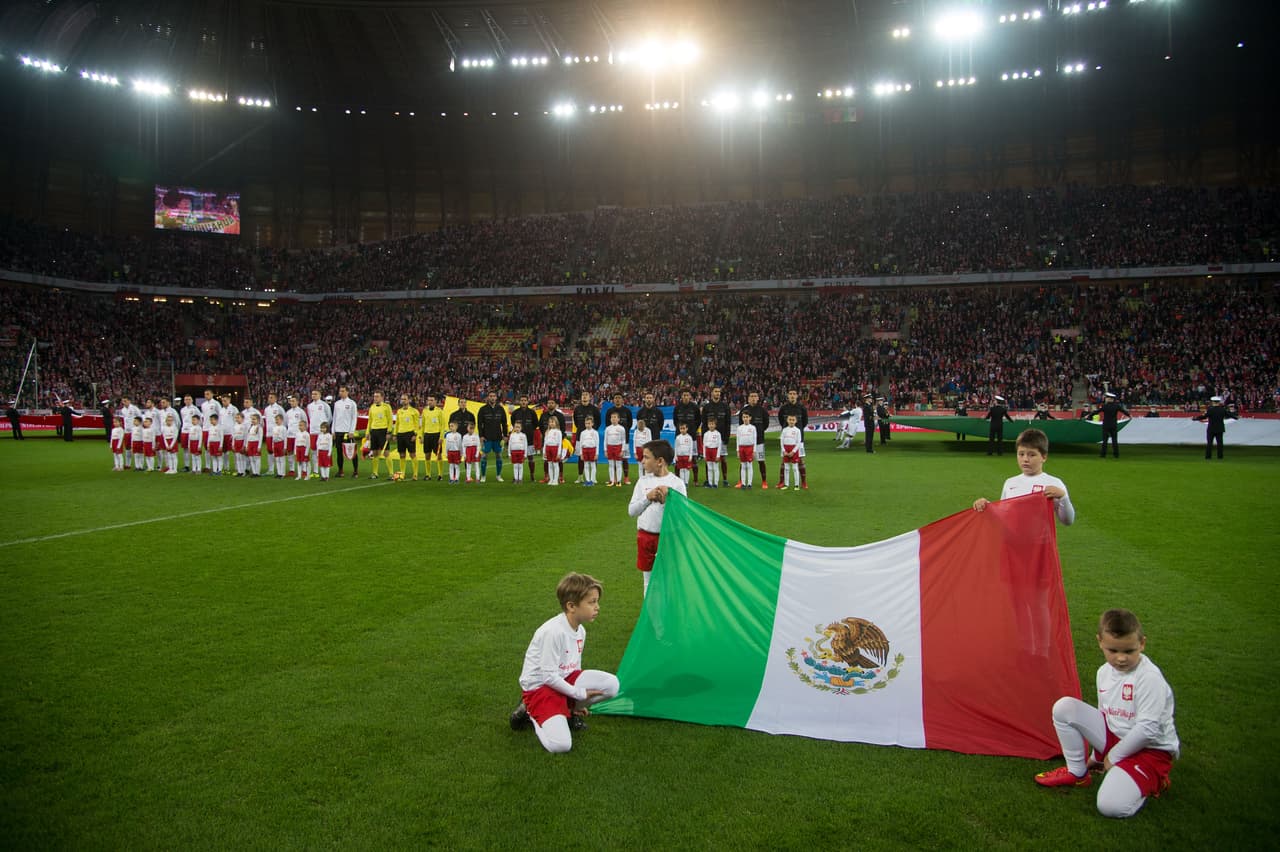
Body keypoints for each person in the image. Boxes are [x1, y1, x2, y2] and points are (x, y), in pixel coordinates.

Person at [1034, 609, 1179, 819]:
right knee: (1064, 707)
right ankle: (1077, 773)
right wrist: (1097, 757)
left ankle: (1155, 780)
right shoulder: (1103, 672)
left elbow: (1148, 729)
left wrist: (1114, 757)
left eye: (1129, 651)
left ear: (1142, 643)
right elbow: (1106, 717)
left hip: (1150, 751)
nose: (1121, 658)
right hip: (1117, 740)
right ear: (1100, 642)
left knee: (1109, 806)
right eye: (1113, 650)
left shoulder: (1149, 678)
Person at [509, 572, 620, 754]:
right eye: (591, 602)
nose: (597, 607)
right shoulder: (553, 632)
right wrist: (579, 693)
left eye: (597, 601)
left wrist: (576, 701)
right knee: (561, 745)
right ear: (571, 606)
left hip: (563, 679)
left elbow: (574, 667)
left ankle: (569, 712)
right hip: (540, 688)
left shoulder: (580, 630)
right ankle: (530, 712)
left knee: (612, 685)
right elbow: (548, 677)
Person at [972, 428, 1076, 527]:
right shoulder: (1010, 482)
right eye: (1021, 454)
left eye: (1032, 455)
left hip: (1040, 544)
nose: (1025, 459)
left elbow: (1068, 521)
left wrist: (1063, 497)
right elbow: (1003, 515)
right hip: (1012, 543)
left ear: (1044, 457)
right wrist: (987, 506)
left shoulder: (1053, 483)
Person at [627, 439, 687, 596]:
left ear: (660, 461)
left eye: (646, 457)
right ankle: (652, 619)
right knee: (648, 580)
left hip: (668, 538)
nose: (642, 461)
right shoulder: (642, 481)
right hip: (645, 537)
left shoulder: (677, 484)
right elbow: (632, 511)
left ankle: (667, 615)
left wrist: (668, 501)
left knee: (668, 579)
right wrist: (648, 498)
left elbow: (683, 517)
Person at [775, 389, 809, 489]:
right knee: (784, 460)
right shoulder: (784, 408)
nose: (792, 396)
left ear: (797, 395)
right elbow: (781, 420)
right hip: (786, 440)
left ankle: (803, 482)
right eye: (790, 394)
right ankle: (782, 482)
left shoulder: (802, 408)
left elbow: (805, 422)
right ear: (788, 396)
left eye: (794, 394)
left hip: (798, 439)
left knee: (801, 460)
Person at [740, 391, 771, 490]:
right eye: (751, 396)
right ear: (748, 398)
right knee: (743, 462)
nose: (753, 398)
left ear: (758, 398)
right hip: (746, 443)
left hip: (759, 441)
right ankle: (741, 481)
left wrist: (760, 431)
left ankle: (764, 481)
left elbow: (766, 424)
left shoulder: (762, 410)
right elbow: (741, 424)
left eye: (755, 396)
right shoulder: (744, 410)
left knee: (761, 461)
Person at [477, 391, 508, 482]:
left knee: (498, 455)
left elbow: (504, 423)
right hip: (487, 437)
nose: (492, 398)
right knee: (484, 456)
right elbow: (479, 424)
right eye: (490, 396)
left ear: (496, 398)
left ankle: (498, 475)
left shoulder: (500, 409)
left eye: (494, 396)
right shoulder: (483, 409)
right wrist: (481, 436)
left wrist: (505, 435)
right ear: (488, 397)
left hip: (498, 437)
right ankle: (483, 476)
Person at [702, 387, 731, 485]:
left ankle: (725, 479)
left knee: (722, 458)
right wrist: (704, 437)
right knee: (709, 460)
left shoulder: (725, 407)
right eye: (715, 391)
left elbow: (728, 423)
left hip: (722, 437)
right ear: (712, 393)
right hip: (709, 438)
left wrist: (726, 437)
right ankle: (708, 480)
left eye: (719, 392)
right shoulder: (707, 407)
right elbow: (704, 423)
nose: (717, 393)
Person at [1193, 395, 1238, 460]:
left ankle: (1208, 457)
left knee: (1209, 443)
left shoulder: (1210, 410)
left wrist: (1196, 418)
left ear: (1213, 402)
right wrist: (1236, 417)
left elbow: (1204, 417)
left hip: (1211, 428)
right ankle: (1220, 456)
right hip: (1220, 428)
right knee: (1220, 444)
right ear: (1219, 402)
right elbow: (1229, 415)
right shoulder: (1222, 410)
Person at [572, 391, 601, 484]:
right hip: (580, 436)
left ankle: (593, 478)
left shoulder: (594, 409)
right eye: (583, 395)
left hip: (591, 437)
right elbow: (576, 422)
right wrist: (582, 430)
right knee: (580, 457)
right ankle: (580, 476)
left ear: (590, 397)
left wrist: (591, 431)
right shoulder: (577, 409)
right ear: (581, 397)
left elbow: (598, 421)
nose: (584, 397)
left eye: (586, 395)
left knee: (593, 459)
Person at [673, 390, 702, 485]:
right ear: (681, 396)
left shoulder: (694, 407)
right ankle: (677, 480)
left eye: (687, 395)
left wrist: (692, 429)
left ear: (690, 396)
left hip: (692, 436)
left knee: (693, 458)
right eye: (684, 395)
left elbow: (698, 420)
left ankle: (696, 480)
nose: (685, 397)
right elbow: (675, 421)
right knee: (678, 459)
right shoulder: (678, 407)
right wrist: (680, 430)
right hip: (679, 436)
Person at [509, 394, 540, 483]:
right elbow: (513, 423)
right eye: (522, 400)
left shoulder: (532, 412)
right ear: (519, 401)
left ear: (527, 401)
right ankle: (516, 477)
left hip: (529, 439)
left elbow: (535, 424)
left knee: (531, 458)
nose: (523, 402)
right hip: (517, 441)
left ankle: (532, 475)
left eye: (525, 400)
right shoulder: (515, 413)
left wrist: (529, 430)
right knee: (516, 461)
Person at [331, 387, 359, 479]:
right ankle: (340, 471)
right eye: (340, 391)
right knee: (339, 452)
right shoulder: (337, 404)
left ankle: (355, 471)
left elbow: (354, 418)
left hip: (347, 431)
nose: (341, 393)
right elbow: (334, 417)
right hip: (338, 431)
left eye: (343, 391)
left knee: (352, 451)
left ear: (347, 392)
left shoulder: (351, 403)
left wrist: (352, 431)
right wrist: (333, 431)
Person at [365, 390, 393, 479]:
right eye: (374, 396)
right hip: (374, 431)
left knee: (386, 452)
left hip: (383, 431)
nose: (375, 398)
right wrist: (367, 432)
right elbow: (370, 421)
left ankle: (391, 474)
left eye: (377, 396)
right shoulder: (372, 407)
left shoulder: (386, 407)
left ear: (382, 397)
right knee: (375, 452)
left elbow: (390, 420)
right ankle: (375, 473)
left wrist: (389, 432)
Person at [610, 392, 637, 484]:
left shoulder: (627, 411)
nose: (617, 399)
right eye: (616, 397)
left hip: (624, 439)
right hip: (612, 441)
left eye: (619, 397)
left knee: (625, 458)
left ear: (622, 400)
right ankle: (614, 478)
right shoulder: (610, 411)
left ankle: (626, 477)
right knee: (613, 459)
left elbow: (629, 424)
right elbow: (607, 425)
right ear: (613, 400)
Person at [538, 398, 567, 484]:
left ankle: (559, 477)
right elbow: (540, 427)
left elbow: (563, 428)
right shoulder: (543, 415)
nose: (550, 404)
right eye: (549, 403)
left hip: (557, 443)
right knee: (547, 461)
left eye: (552, 403)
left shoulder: (560, 416)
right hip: (547, 442)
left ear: (555, 404)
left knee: (558, 461)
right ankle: (548, 477)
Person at [393, 394, 420, 480]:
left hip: (410, 434)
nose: (403, 400)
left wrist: (415, 434)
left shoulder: (414, 411)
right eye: (402, 399)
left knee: (412, 454)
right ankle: (402, 474)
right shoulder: (399, 411)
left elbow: (417, 424)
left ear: (409, 400)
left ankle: (415, 474)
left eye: (405, 399)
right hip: (400, 434)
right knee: (402, 455)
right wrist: (395, 434)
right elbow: (397, 423)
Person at [419, 394, 445, 481]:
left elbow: (442, 425)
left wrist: (441, 437)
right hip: (427, 435)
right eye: (428, 400)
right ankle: (428, 474)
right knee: (427, 455)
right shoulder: (425, 411)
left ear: (436, 401)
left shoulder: (439, 411)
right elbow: (422, 425)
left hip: (436, 435)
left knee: (438, 455)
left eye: (432, 400)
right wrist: (421, 436)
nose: (430, 402)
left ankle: (440, 474)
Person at [306, 390, 331, 476]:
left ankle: (325, 468)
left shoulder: (324, 405)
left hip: (322, 433)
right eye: (312, 394)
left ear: (320, 395)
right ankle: (315, 471)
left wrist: (325, 428)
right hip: (313, 431)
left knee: (323, 450)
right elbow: (310, 417)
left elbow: (329, 417)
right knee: (313, 451)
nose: (314, 395)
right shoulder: (309, 406)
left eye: (315, 394)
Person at [1098, 392, 1130, 459]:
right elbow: (1123, 411)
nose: (1106, 399)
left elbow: (1097, 411)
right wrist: (1129, 415)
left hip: (1106, 425)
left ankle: (1103, 454)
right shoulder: (1116, 406)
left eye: (1107, 398)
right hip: (1113, 425)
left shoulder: (1105, 406)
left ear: (1110, 399)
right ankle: (1116, 454)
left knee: (1105, 441)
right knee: (1114, 441)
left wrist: (1089, 416)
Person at [604, 409, 627, 487]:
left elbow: (624, 440)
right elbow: (605, 440)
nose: (613, 419)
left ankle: (618, 481)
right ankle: (612, 481)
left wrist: (622, 450)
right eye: (612, 417)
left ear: (618, 419)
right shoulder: (607, 428)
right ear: (610, 419)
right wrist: (605, 450)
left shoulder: (621, 428)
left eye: (615, 417)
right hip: (609, 447)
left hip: (618, 447)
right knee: (610, 464)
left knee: (618, 464)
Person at [779, 414, 802, 491]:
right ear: (787, 420)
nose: (791, 421)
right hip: (786, 449)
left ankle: (796, 485)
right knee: (786, 468)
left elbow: (799, 442)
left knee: (795, 468)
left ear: (796, 421)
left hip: (793, 450)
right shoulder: (784, 430)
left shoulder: (797, 430)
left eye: (793, 420)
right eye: (790, 419)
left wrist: (793, 451)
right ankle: (786, 484)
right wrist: (783, 451)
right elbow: (781, 441)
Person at [735, 411, 757, 489]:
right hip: (742, 448)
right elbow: (737, 439)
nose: (745, 419)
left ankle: (749, 483)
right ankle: (743, 483)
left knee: (749, 465)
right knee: (743, 466)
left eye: (747, 417)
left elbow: (755, 440)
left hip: (750, 448)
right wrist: (737, 450)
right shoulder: (739, 428)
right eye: (744, 417)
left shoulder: (753, 428)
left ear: (750, 418)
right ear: (742, 418)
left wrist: (754, 451)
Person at [577, 416, 599, 486]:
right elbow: (581, 443)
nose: (587, 425)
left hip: (592, 449)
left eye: (589, 423)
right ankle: (587, 480)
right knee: (586, 465)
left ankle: (592, 480)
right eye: (586, 423)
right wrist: (581, 453)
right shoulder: (583, 433)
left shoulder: (595, 432)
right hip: (584, 450)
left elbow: (597, 443)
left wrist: (597, 453)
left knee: (592, 465)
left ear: (592, 424)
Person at [701, 416, 723, 487]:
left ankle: (715, 483)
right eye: (710, 424)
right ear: (708, 425)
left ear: (715, 425)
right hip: (708, 451)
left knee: (715, 468)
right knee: (709, 468)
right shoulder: (706, 434)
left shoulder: (718, 434)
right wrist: (704, 455)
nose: (711, 426)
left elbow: (719, 445)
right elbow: (704, 445)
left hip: (715, 451)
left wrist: (718, 455)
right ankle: (710, 483)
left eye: (713, 424)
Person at [541, 418, 563, 486]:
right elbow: (545, 442)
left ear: (556, 423)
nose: (551, 423)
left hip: (555, 448)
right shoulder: (547, 431)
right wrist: (544, 451)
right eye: (550, 422)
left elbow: (560, 443)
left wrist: (559, 453)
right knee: (550, 464)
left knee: (555, 464)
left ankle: (555, 480)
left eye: (553, 422)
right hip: (548, 448)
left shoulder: (558, 432)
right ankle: (551, 479)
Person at [673, 421, 696, 486]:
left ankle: (686, 482)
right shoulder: (678, 437)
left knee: (687, 470)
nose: (682, 430)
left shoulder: (689, 437)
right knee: (681, 469)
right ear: (679, 429)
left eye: (684, 428)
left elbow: (691, 447)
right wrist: (675, 456)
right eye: (681, 428)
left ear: (687, 429)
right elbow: (676, 447)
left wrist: (690, 456)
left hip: (687, 456)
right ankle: (682, 482)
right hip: (680, 456)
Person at [270, 413, 287, 478]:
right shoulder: (274, 428)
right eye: (276, 420)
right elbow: (273, 438)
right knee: (277, 459)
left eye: (278, 419)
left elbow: (285, 438)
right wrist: (272, 446)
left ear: (282, 420)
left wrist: (285, 447)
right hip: (275, 444)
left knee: (281, 459)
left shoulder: (283, 428)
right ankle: (279, 473)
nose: (276, 421)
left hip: (281, 443)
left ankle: (282, 473)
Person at [232, 412, 248, 476]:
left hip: (242, 442)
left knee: (242, 457)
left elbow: (246, 437)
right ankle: (239, 471)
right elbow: (233, 436)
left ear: (242, 418)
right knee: (237, 457)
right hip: (236, 442)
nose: (237, 419)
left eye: (238, 418)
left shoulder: (244, 426)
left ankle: (243, 471)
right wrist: (233, 444)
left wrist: (244, 445)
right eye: (236, 418)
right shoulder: (235, 426)